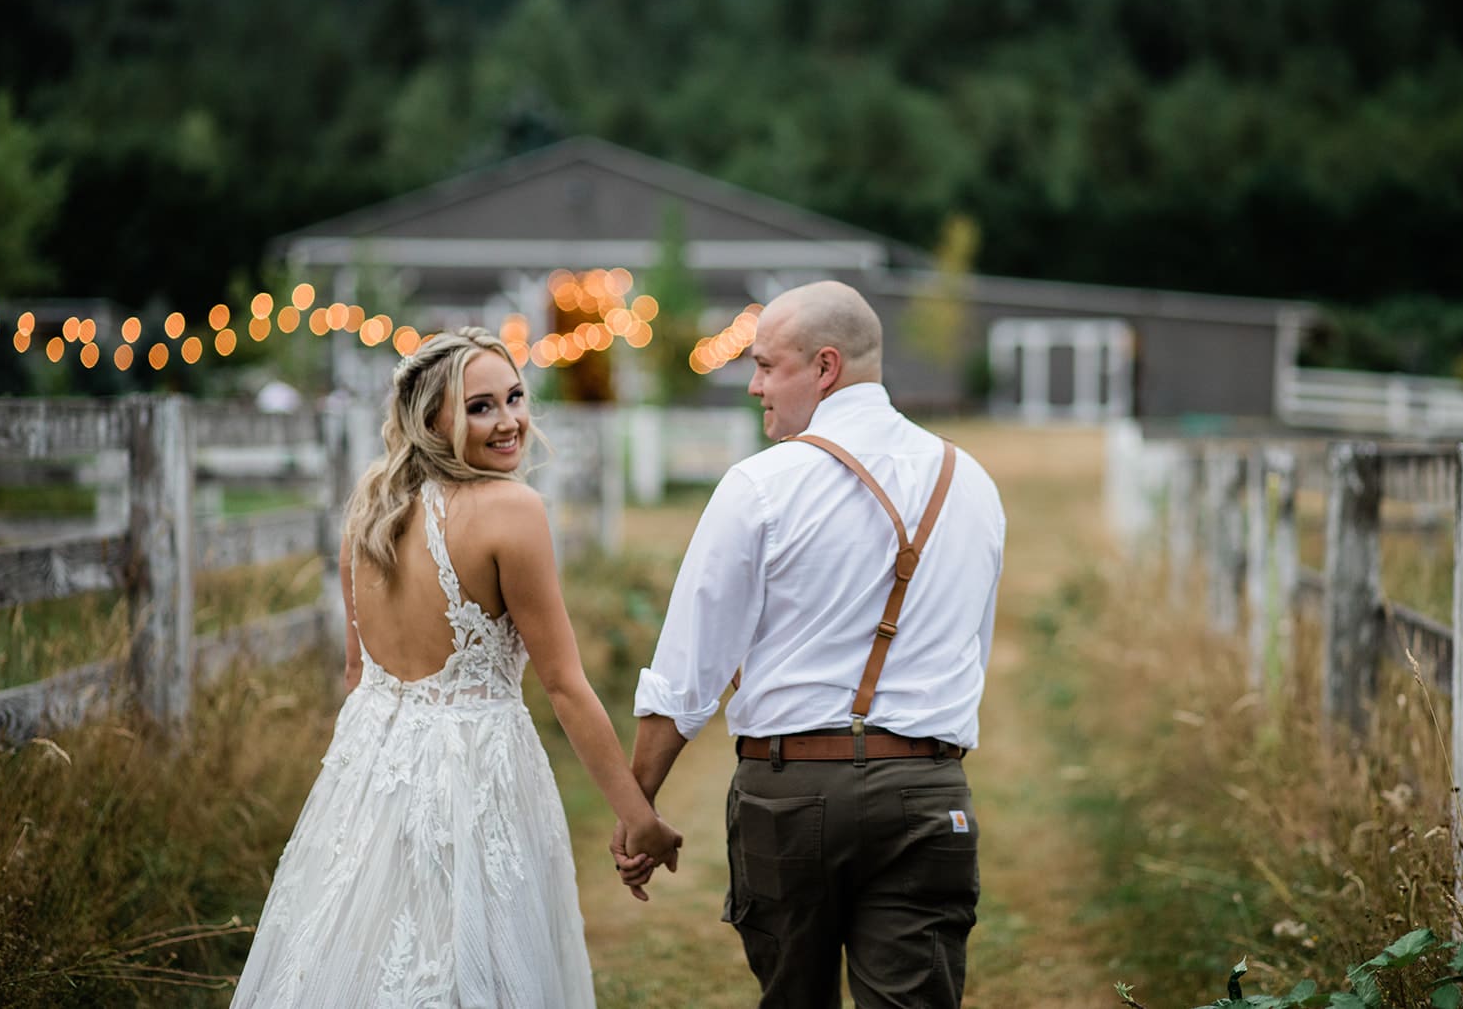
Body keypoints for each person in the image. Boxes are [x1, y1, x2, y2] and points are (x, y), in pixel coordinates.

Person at [233, 326, 680, 1008]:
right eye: (480, 406)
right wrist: (637, 816)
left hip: (371, 769)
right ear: (433, 418)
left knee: (357, 957)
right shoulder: (513, 509)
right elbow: (563, 684)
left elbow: (358, 675)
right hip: (475, 769)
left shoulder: (372, 508)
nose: (509, 422)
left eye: (515, 397)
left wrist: (367, 788)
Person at [613, 281, 1006, 1008]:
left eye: (767, 365)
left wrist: (638, 809)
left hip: (791, 793)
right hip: (928, 791)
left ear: (825, 367)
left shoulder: (759, 485)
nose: (755, 385)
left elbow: (687, 675)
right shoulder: (972, 482)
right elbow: (968, 654)